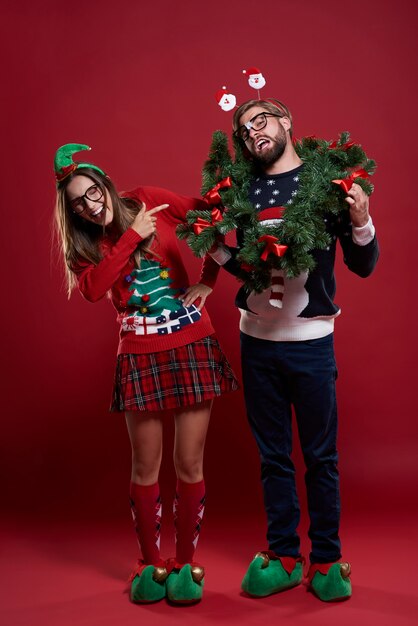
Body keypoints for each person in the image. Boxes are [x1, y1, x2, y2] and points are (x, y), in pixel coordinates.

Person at [207, 100, 379, 602]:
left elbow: (364, 265)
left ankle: (326, 558)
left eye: (261, 120)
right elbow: (250, 268)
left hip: (311, 345)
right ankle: (283, 553)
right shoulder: (242, 190)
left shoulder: (327, 183)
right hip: (256, 342)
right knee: (273, 457)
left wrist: (364, 219)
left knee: (321, 457)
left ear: (286, 122)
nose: (251, 132)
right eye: (243, 130)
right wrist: (213, 246)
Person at [53, 143, 238, 605]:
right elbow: (95, 290)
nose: (90, 204)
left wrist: (208, 279)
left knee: (189, 464)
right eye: (78, 202)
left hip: (192, 342)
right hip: (139, 352)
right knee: (145, 466)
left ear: (105, 184)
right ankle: (150, 562)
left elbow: (210, 218)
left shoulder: (148, 200)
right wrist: (132, 236)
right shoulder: (85, 246)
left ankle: (185, 562)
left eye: (93, 191)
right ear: (71, 211)